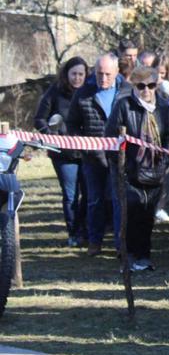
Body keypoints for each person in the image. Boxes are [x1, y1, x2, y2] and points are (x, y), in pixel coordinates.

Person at [105, 66, 169, 271]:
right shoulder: (123, 106)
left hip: (155, 171)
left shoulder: (163, 107)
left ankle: (144, 256)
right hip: (129, 171)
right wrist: (123, 167)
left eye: (151, 85)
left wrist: (164, 162)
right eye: (141, 86)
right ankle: (128, 257)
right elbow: (111, 139)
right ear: (134, 86)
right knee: (131, 214)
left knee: (147, 215)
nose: (146, 90)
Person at [66, 54, 131, 256]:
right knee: (94, 201)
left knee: (118, 201)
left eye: (108, 74)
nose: (103, 78)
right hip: (92, 157)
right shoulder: (83, 93)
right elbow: (72, 124)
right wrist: (84, 145)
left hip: (120, 156)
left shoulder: (127, 91)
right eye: (99, 74)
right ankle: (95, 241)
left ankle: (120, 245)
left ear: (117, 72)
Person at [34, 56, 89, 247]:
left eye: (81, 74)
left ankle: (85, 230)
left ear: (86, 75)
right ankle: (73, 233)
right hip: (63, 154)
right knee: (70, 195)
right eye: (74, 74)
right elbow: (39, 119)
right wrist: (51, 135)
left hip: (88, 151)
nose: (77, 78)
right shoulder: (55, 92)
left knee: (89, 194)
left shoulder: (89, 92)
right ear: (66, 74)